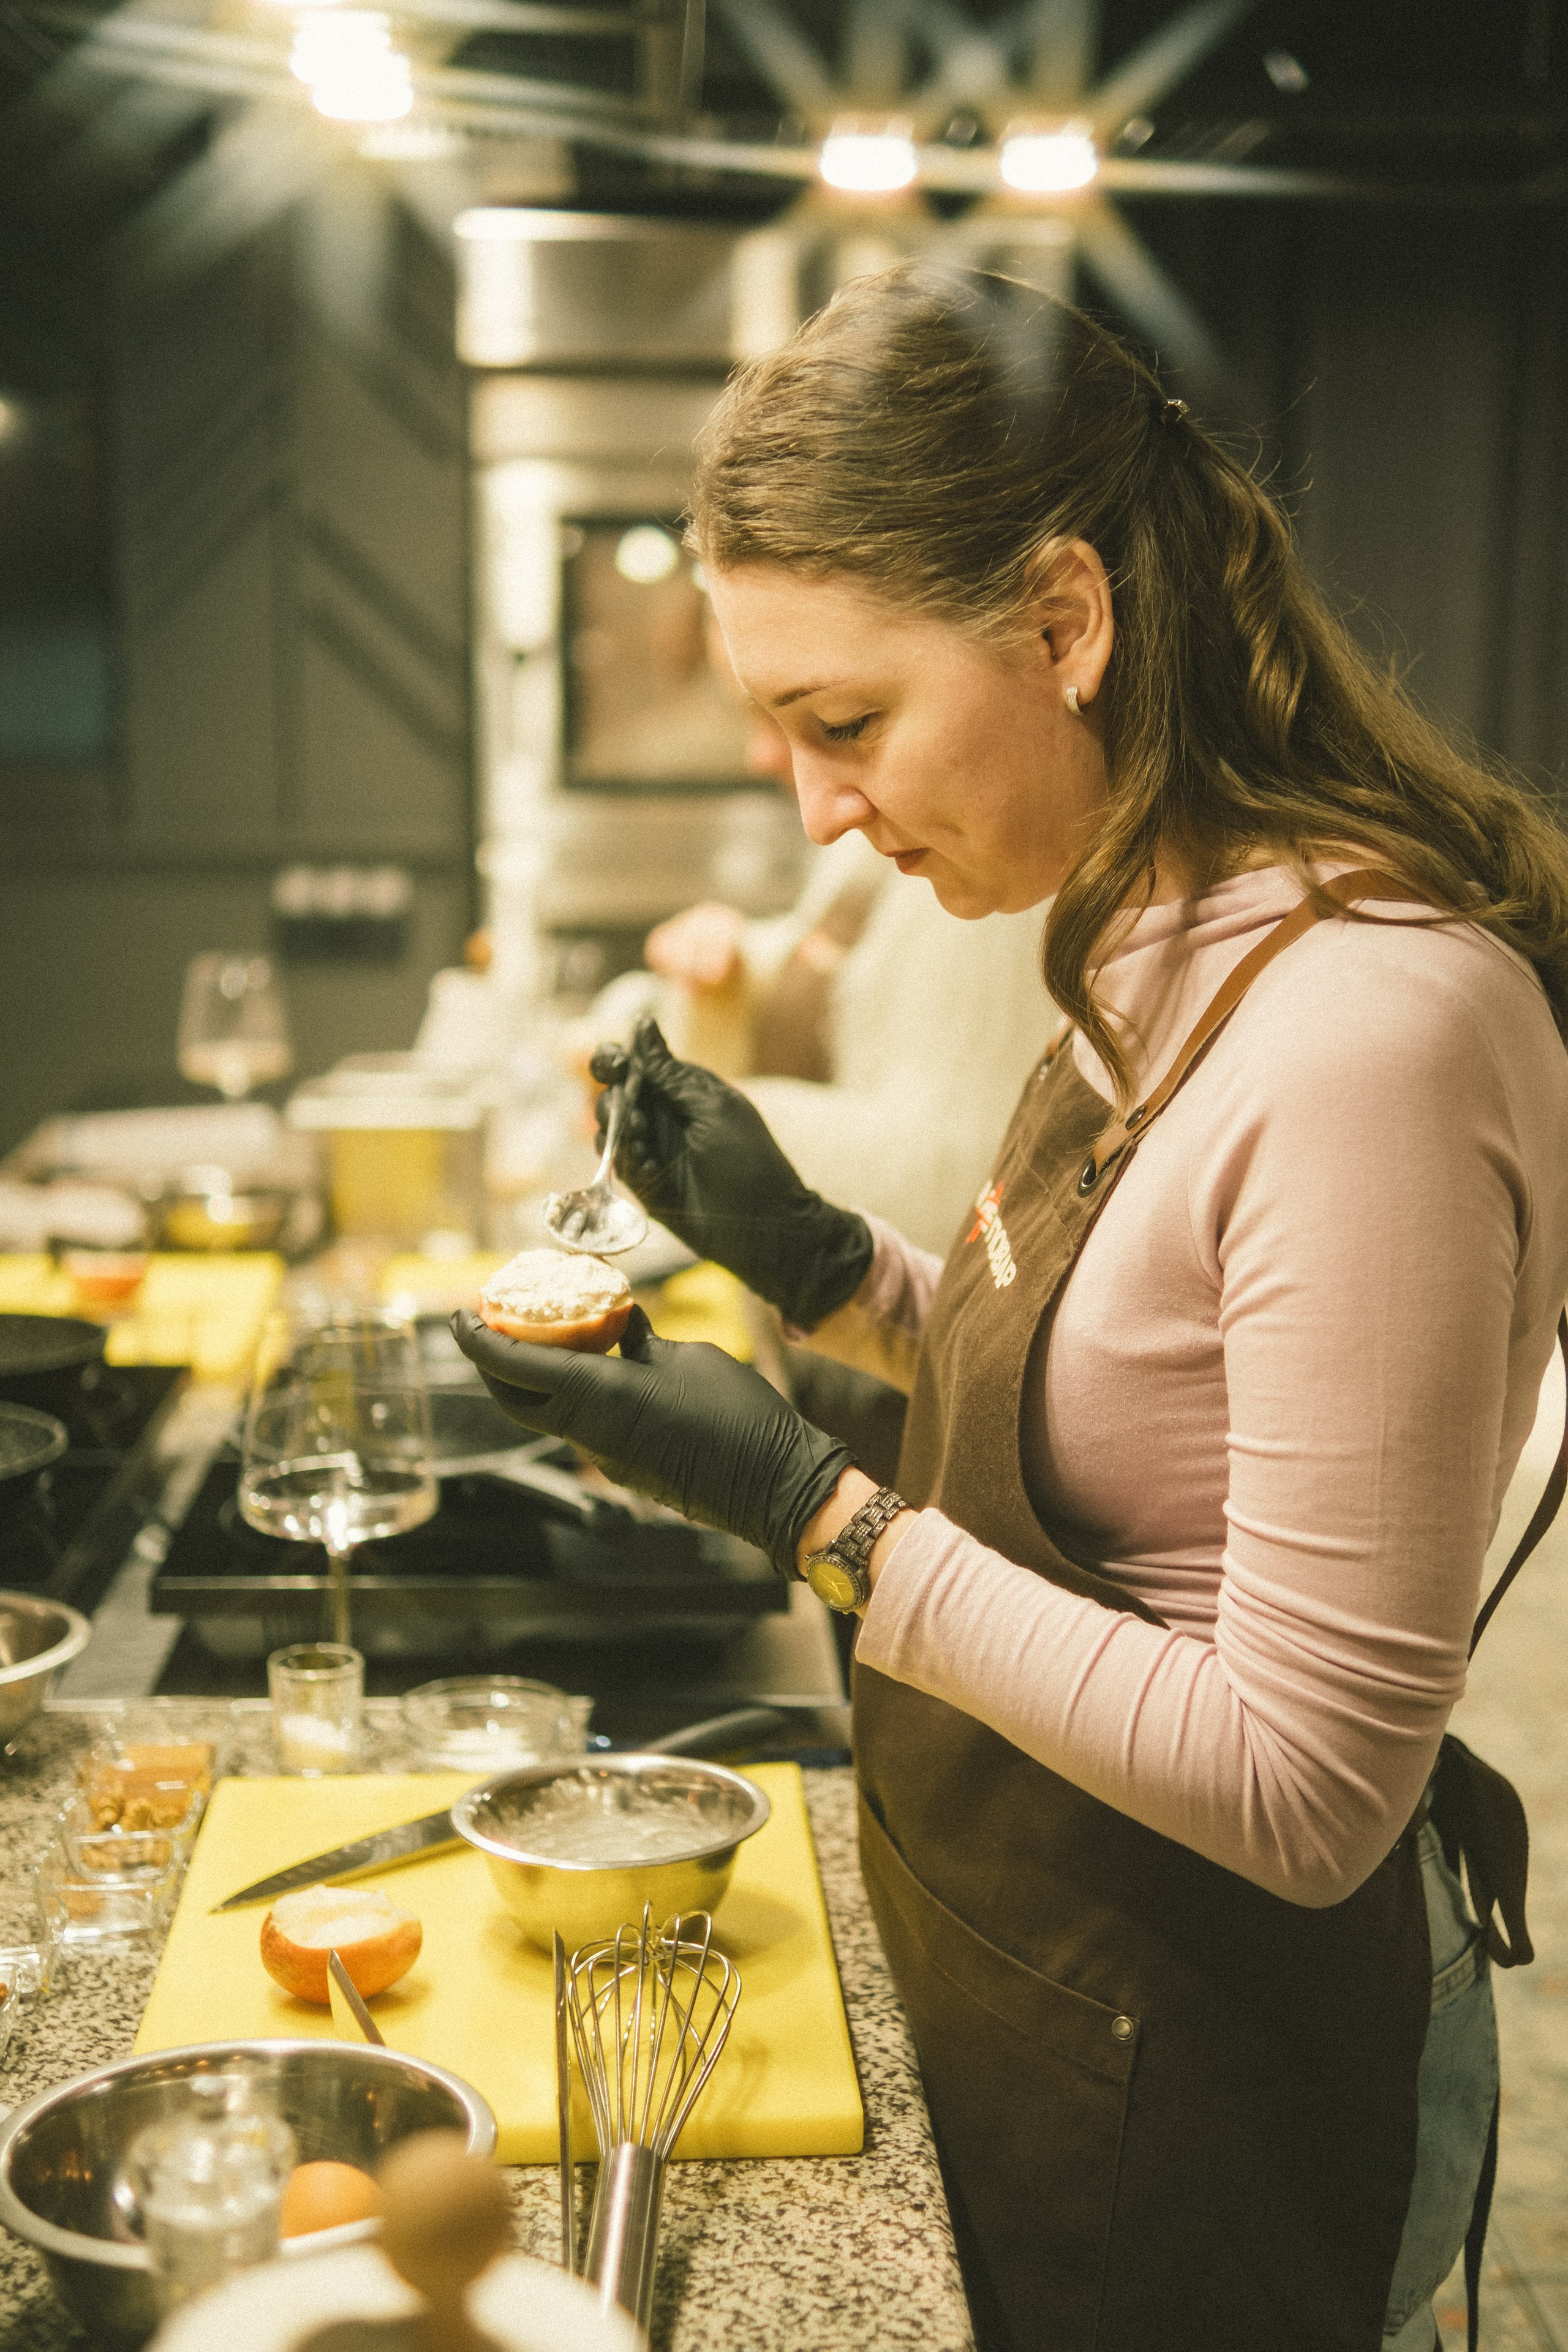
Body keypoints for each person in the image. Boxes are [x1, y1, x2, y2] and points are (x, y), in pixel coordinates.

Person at [454, 265, 1568, 2352]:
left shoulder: (1370, 1035)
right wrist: (813, 1268)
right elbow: (1122, 1421)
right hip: (1047, 1977)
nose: (821, 817)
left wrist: (814, 1513)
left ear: (1066, 623)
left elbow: (1313, 1785)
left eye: (845, 723)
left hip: (1215, 2070)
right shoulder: (1145, 923)